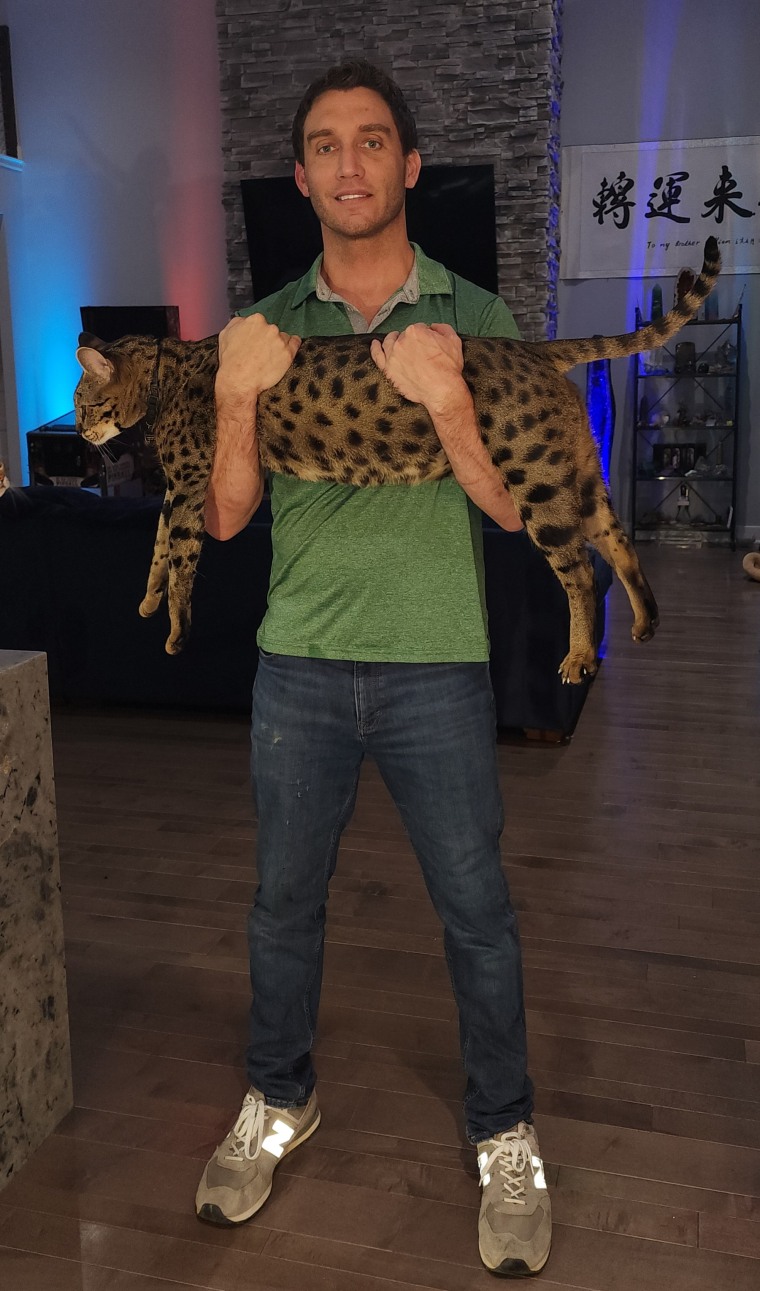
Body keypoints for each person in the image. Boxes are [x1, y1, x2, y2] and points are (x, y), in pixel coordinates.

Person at [195, 59, 552, 1279]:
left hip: (435, 668)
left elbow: (513, 516)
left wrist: (451, 405)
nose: (350, 163)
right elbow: (228, 519)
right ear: (300, 178)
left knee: (478, 918)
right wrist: (236, 397)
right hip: (295, 664)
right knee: (281, 911)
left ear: (408, 166)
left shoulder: (477, 316)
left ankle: (504, 1129)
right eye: (326, 145)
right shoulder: (262, 329)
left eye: (373, 141)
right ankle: (278, 1100)